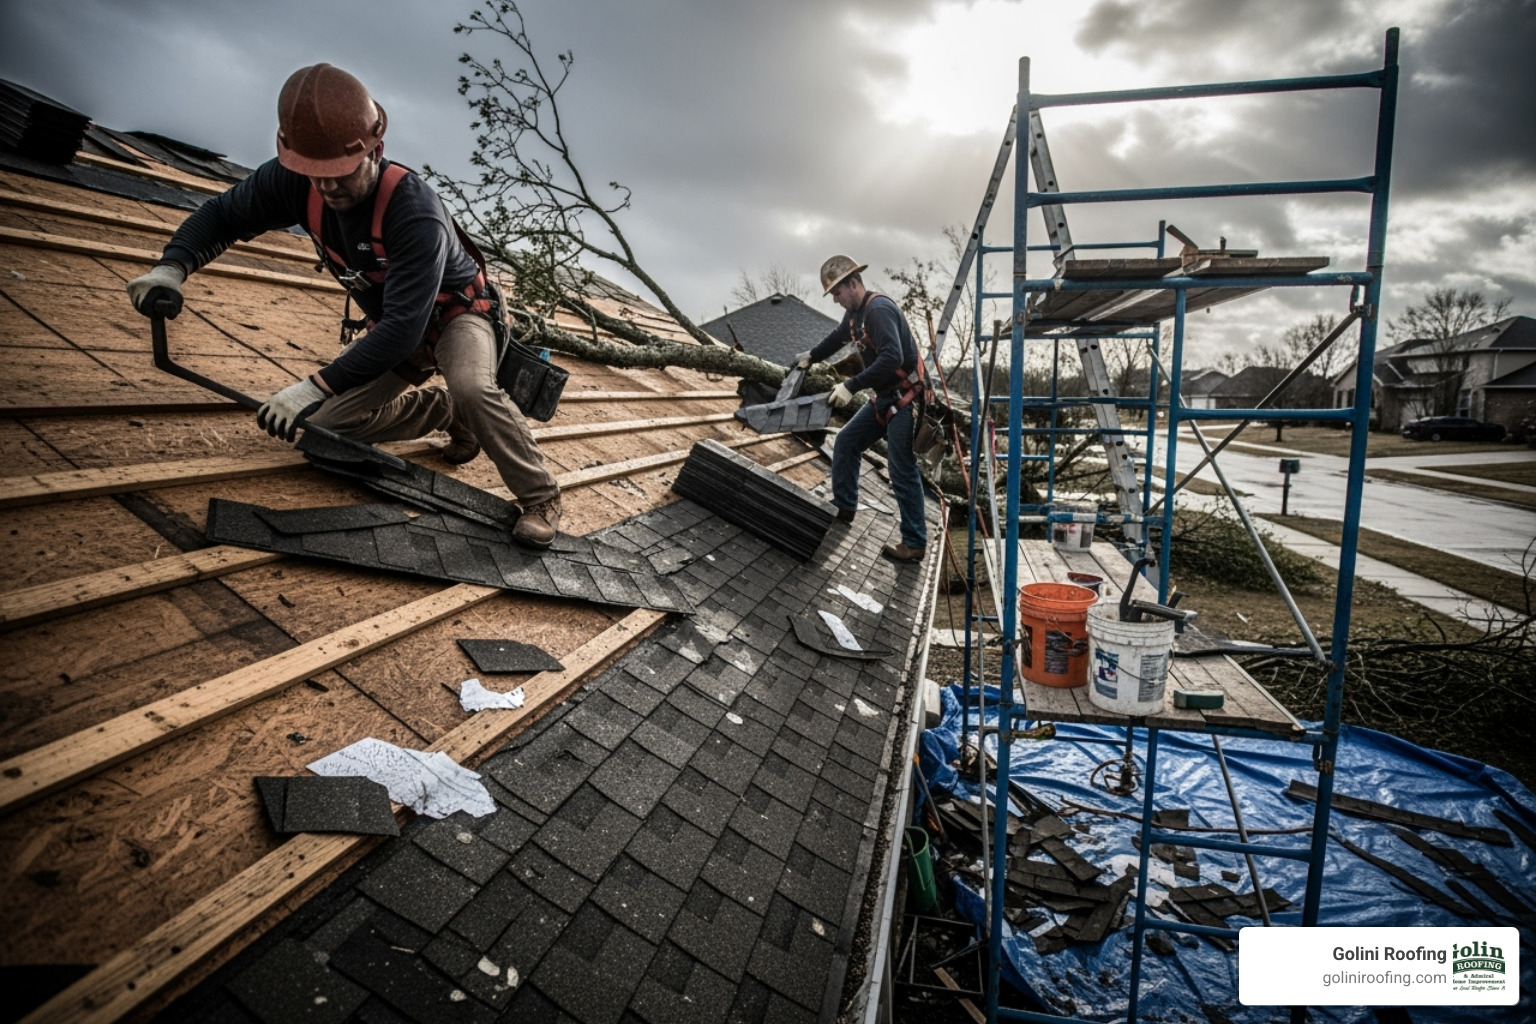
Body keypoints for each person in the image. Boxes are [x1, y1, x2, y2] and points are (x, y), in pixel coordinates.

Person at [125, 64, 563, 548]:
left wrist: (311, 386)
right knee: (323, 429)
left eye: (340, 173)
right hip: (396, 324)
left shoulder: (414, 211)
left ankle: (540, 497)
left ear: (375, 150)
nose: (327, 188)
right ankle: (446, 412)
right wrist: (172, 267)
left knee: (472, 386)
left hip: (456, 315)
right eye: (314, 176)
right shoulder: (295, 180)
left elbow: (403, 327)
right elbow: (223, 215)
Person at [795, 255, 927, 563]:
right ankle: (844, 506)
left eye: (837, 293)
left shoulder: (878, 311)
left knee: (901, 468)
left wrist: (850, 386)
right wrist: (811, 356)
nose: (835, 299)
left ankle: (914, 543)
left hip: (905, 399)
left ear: (853, 283)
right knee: (846, 441)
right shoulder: (855, 316)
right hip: (885, 397)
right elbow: (837, 338)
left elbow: (892, 358)